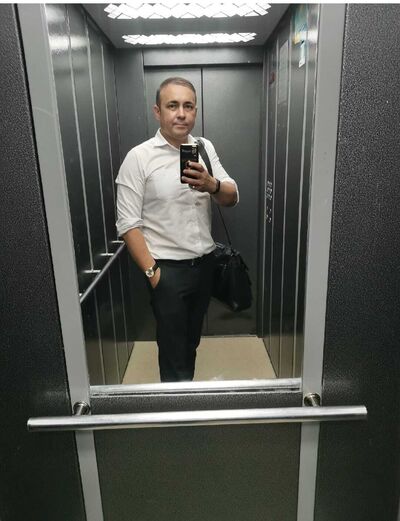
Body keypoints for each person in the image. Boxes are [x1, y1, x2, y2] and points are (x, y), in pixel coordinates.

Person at [115, 77, 238, 382]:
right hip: (166, 271)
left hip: (205, 265)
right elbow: (128, 224)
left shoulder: (204, 148)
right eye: (173, 106)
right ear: (158, 112)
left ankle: (186, 394)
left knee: (190, 341)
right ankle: (176, 406)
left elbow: (232, 196)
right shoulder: (139, 158)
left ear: (195, 110)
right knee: (172, 349)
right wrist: (154, 275)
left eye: (188, 106)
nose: (181, 114)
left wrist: (211, 184)